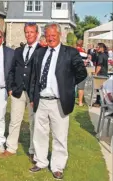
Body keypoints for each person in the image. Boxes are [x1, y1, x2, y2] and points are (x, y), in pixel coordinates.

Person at [29, 22, 87, 180]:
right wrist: (33, 96)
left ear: (59, 35)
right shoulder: (40, 53)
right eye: (47, 35)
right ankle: (41, 162)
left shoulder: (70, 52)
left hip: (59, 101)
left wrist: (67, 85)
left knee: (59, 136)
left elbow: (81, 73)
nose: (50, 38)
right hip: (41, 99)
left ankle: (57, 166)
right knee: (39, 133)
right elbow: (34, 76)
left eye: (53, 35)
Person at [0, 22, 40, 159]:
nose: (29, 34)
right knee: (14, 120)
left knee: (34, 122)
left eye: (31, 32)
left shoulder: (42, 50)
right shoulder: (18, 51)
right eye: (27, 32)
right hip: (17, 91)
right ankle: (11, 148)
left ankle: (33, 150)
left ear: (37, 33)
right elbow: (11, 71)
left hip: (33, 93)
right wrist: (10, 88)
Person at [92, 43, 109, 107]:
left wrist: (96, 73)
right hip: (105, 74)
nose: (96, 48)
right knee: (102, 89)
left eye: (97, 47)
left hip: (101, 74)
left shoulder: (101, 55)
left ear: (101, 48)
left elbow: (99, 65)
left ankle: (98, 102)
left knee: (98, 89)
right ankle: (101, 102)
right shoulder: (105, 55)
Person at [76, 39, 87, 107]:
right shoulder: (84, 53)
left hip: (73, 70)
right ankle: (80, 102)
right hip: (81, 70)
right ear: (82, 44)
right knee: (81, 87)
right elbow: (85, 62)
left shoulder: (72, 51)